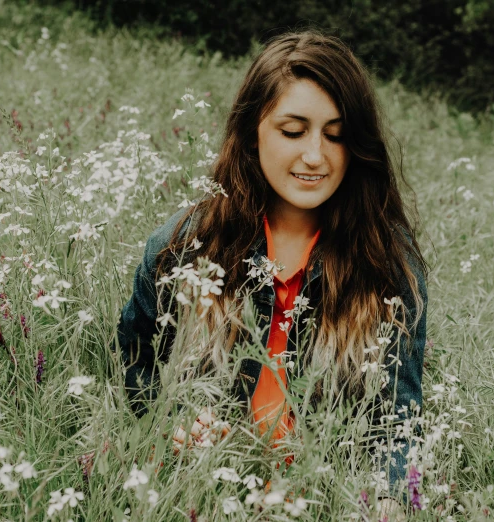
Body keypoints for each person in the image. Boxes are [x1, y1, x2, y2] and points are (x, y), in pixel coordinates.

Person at [115, 30, 428, 519]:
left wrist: (388, 500)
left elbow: (397, 419)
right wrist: (170, 424)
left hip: (324, 503)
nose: (315, 156)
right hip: (198, 500)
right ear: (251, 130)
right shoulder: (180, 248)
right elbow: (134, 368)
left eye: (336, 134)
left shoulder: (386, 261)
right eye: (292, 130)